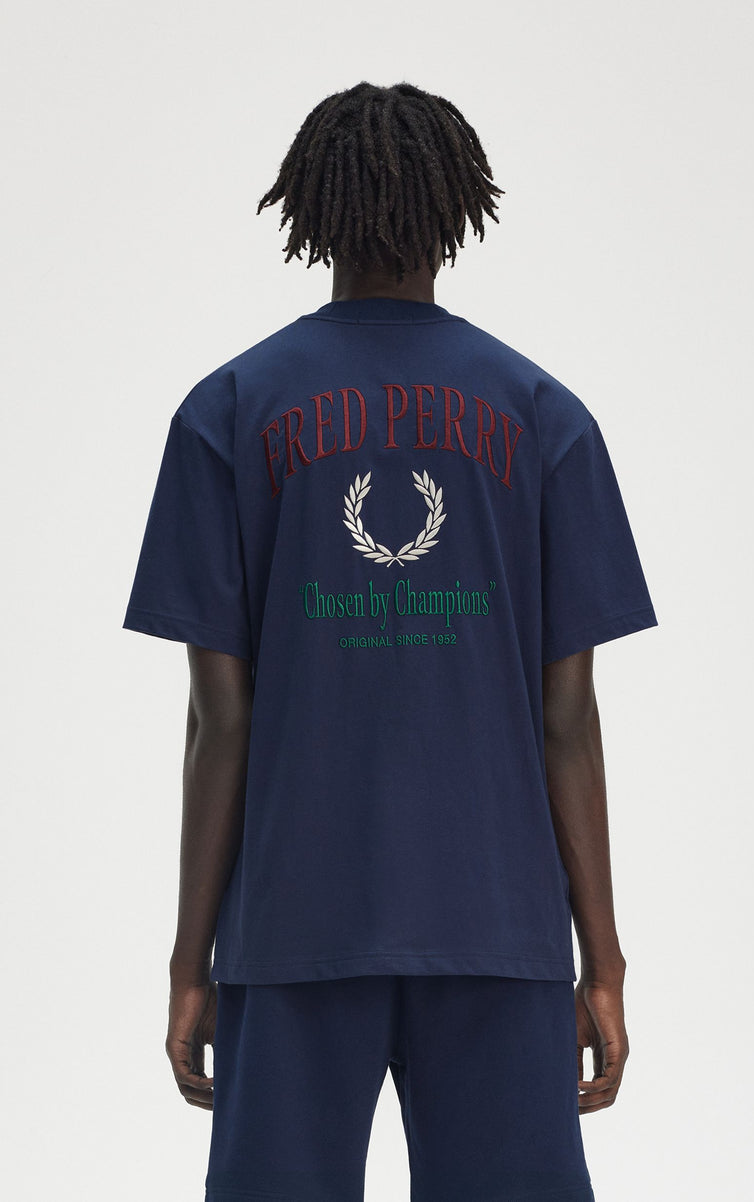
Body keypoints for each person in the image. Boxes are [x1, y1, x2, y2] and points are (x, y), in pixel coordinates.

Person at [122, 80, 658, 1202]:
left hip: (292, 926)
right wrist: (601, 959)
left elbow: (220, 722)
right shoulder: (543, 416)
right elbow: (567, 719)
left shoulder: (227, 411)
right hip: (499, 925)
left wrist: (190, 960)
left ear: (313, 211)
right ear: (458, 208)